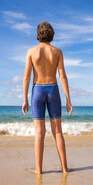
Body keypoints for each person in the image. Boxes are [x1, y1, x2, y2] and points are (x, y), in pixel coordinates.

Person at [22, 21, 73, 174]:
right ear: (52, 34)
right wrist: (68, 99)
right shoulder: (57, 52)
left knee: (39, 133)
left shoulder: (31, 52)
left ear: (38, 34)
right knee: (57, 131)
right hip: (53, 90)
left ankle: (39, 171)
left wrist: (25, 99)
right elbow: (62, 76)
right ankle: (64, 169)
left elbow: (26, 77)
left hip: (37, 90)